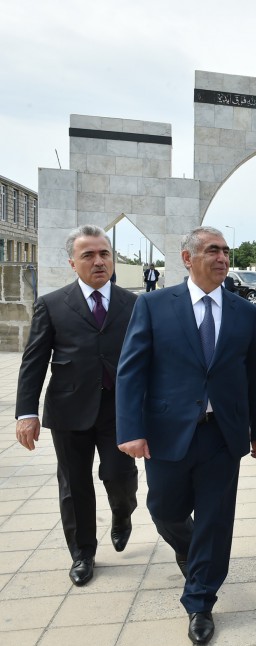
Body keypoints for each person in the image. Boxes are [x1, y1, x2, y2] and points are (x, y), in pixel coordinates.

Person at [116, 226, 256, 646]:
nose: (221, 258)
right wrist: (130, 429)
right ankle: (190, 551)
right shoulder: (153, 305)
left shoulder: (245, 312)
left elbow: (255, 374)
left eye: (225, 250)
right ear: (187, 259)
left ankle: (200, 599)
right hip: (167, 431)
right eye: (211, 251)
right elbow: (131, 370)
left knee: (216, 521)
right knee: (165, 510)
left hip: (223, 434)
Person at [15, 225, 138, 587]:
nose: (99, 261)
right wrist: (26, 413)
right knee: (74, 485)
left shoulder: (134, 304)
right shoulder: (52, 304)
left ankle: (122, 513)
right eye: (89, 255)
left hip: (119, 409)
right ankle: (83, 553)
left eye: (104, 254)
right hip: (69, 410)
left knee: (120, 476)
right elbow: (33, 361)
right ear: (73, 262)